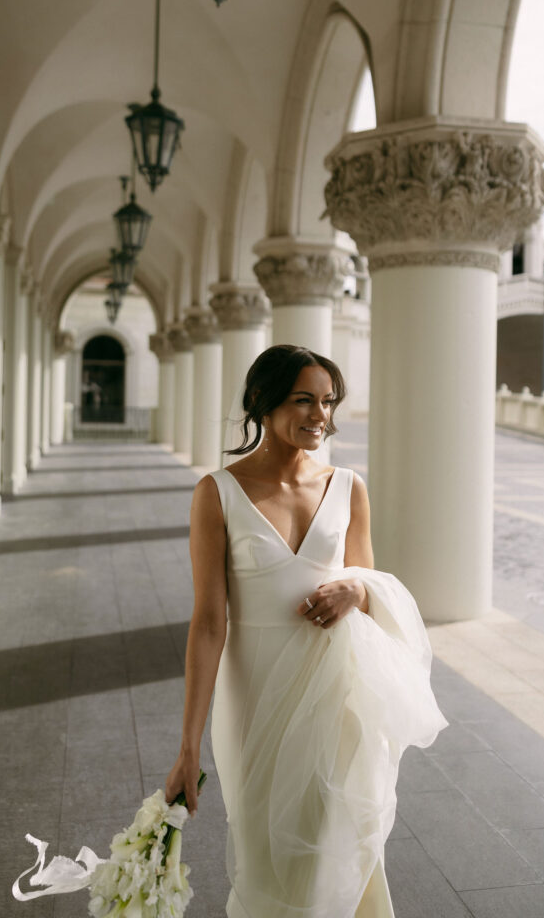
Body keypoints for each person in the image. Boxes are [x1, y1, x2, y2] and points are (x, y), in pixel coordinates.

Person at [166, 345, 447, 918]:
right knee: (264, 848)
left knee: (335, 841)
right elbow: (208, 623)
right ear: (260, 403)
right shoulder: (216, 493)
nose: (320, 415)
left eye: (327, 402)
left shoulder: (348, 487)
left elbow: (370, 588)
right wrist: (188, 744)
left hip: (336, 695)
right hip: (254, 697)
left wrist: (359, 590)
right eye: (303, 400)